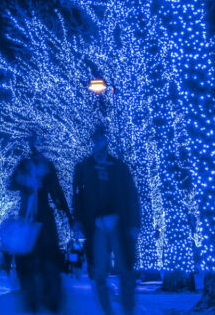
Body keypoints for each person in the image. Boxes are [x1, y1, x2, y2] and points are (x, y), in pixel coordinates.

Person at [72, 126, 140, 315]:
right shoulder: (83, 168)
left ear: (106, 141)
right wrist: (78, 220)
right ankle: (108, 312)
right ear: (93, 142)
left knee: (125, 270)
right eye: (96, 139)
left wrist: (134, 223)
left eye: (102, 138)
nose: (99, 142)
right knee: (99, 272)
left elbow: (131, 195)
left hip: (119, 222)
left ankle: (128, 311)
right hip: (96, 225)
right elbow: (77, 197)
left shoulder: (119, 167)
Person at [8, 133, 72, 314]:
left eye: (37, 141)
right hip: (27, 218)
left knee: (48, 259)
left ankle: (50, 299)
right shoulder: (24, 164)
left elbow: (56, 191)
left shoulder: (47, 165)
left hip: (44, 218)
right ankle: (33, 300)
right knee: (27, 259)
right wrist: (23, 180)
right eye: (32, 142)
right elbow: (11, 184)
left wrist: (68, 215)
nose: (34, 145)